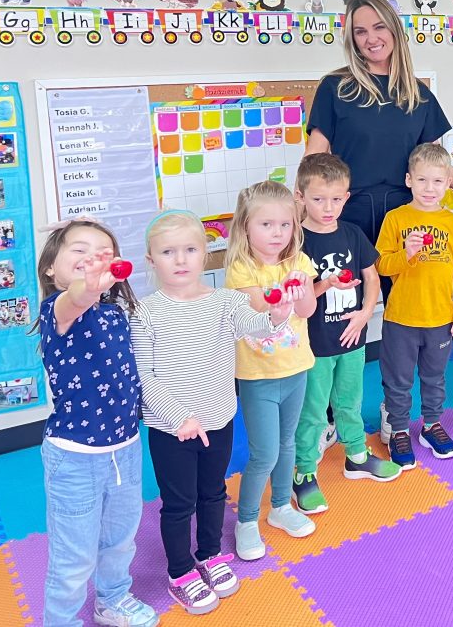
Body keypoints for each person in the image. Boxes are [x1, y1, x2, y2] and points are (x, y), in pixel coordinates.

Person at [304, 0, 453, 453]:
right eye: (360, 31)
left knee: (403, 321)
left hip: (407, 220)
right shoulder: (336, 87)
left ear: (395, 30)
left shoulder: (418, 95)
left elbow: (438, 165)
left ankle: (396, 414)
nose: (370, 38)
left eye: (379, 27)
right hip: (347, 216)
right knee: (334, 315)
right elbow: (316, 152)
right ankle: (328, 416)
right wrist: (298, 207)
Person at [132, 211, 292, 615]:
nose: (180, 259)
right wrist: (179, 418)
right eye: (168, 252)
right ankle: (180, 572)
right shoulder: (145, 312)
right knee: (178, 503)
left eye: (189, 250)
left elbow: (257, 326)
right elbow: (144, 376)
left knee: (214, 492)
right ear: (151, 260)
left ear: (205, 254)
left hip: (219, 419)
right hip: (172, 429)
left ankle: (208, 553)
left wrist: (278, 315)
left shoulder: (226, 301)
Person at [33, 219, 157, 627]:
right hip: (74, 457)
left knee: (120, 540)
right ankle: (61, 620)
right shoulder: (57, 310)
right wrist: (87, 286)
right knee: (74, 555)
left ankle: (113, 598)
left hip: (125, 447)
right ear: (50, 267)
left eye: (102, 253)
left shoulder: (116, 311)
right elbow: (78, 297)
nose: (91, 259)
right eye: (79, 250)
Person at [291, 154, 401, 515]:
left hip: (353, 337)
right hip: (315, 344)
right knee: (313, 411)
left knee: (350, 401)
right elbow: (299, 298)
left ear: (346, 197)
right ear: (300, 196)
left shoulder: (352, 233)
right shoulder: (296, 242)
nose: (328, 208)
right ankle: (304, 472)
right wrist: (326, 283)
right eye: (319, 199)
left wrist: (367, 313)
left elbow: (372, 277)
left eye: (336, 199)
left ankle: (356, 455)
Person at [225, 181, 319, 560]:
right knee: (264, 452)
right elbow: (258, 306)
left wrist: (303, 289)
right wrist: (283, 292)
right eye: (266, 224)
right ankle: (246, 520)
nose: (277, 233)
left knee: (287, 443)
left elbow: (307, 310)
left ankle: (280, 506)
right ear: (245, 227)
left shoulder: (299, 262)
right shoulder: (240, 269)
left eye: (285, 224)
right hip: (257, 376)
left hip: (295, 369)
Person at [376, 143, 453, 469]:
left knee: (435, 377)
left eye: (438, 181)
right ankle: (399, 429)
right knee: (398, 380)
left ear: (448, 184)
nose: (430, 188)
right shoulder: (395, 219)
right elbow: (381, 266)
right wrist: (407, 254)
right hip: (401, 318)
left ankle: (431, 425)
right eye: (422, 180)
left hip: (440, 319)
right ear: (409, 180)